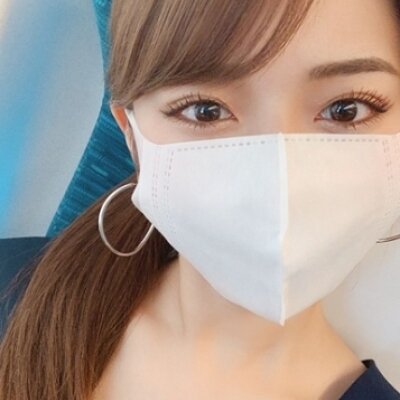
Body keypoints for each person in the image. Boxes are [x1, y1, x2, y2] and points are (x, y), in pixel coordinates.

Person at [1, 0, 400, 399]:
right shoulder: (10, 285)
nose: (279, 172)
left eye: (346, 110)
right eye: (206, 111)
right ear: (131, 135)